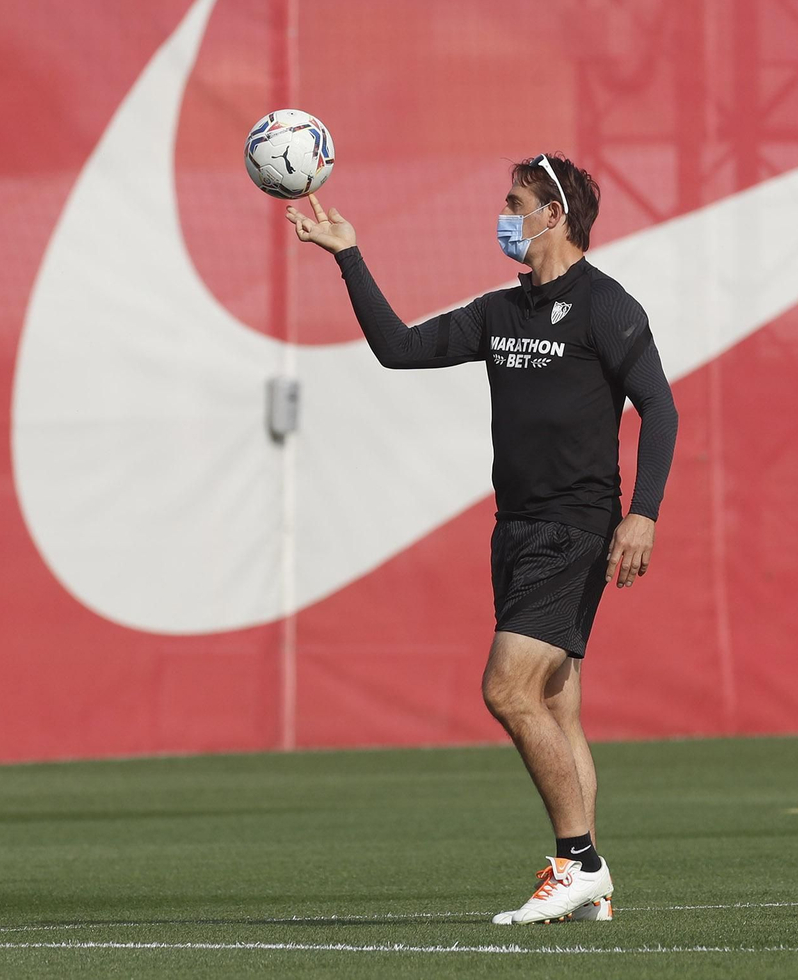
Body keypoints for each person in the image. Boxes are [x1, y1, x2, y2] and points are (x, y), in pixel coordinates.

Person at [285, 154, 678, 925]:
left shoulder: (606, 306)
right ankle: (587, 882)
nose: (504, 214)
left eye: (515, 202)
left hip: (577, 525)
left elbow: (659, 410)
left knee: (505, 688)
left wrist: (645, 512)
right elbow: (398, 348)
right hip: (517, 527)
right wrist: (348, 255)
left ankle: (578, 861)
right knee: (557, 707)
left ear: (554, 215)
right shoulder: (501, 312)